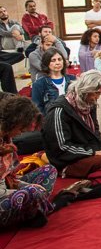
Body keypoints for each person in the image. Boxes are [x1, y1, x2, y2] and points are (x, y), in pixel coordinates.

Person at [0, 95, 56, 228]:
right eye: (20, 129)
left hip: (6, 186)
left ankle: (34, 208)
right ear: (12, 123)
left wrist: (25, 186)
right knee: (33, 192)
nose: (21, 133)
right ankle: (36, 208)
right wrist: (28, 188)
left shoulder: (6, 139)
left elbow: (9, 178)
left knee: (49, 170)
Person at [31, 48, 75, 114]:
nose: (57, 63)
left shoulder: (72, 79)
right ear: (47, 63)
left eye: (59, 59)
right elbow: (37, 109)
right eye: (53, 60)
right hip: (50, 118)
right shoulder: (39, 84)